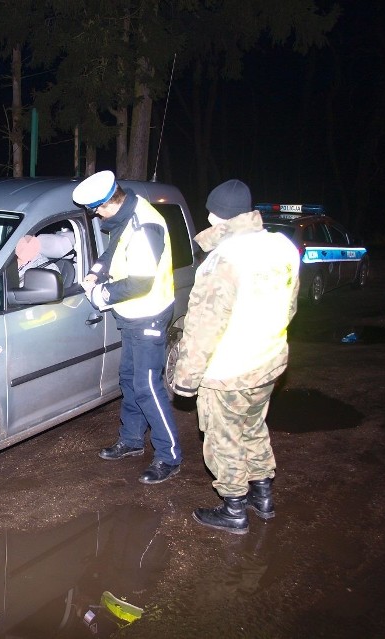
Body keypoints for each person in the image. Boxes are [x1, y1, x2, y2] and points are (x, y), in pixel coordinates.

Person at [172, 179, 300, 534]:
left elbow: (203, 327)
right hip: (269, 359)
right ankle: (263, 495)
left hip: (229, 369)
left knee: (223, 437)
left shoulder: (223, 261)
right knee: (253, 427)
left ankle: (234, 509)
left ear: (216, 215)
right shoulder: (282, 246)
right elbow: (289, 307)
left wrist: (186, 379)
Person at [72, 170, 182, 484]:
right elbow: (115, 248)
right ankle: (132, 440)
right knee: (130, 379)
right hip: (132, 316)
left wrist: (100, 295)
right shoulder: (127, 214)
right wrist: (96, 271)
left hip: (148, 313)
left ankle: (169, 456)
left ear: (107, 203)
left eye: (95, 209)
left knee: (147, 385)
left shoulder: (144, 225)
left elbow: (140, 283)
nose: (95, 214)